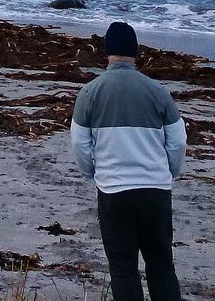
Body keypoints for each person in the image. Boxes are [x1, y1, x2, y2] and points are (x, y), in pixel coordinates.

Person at [70, 21, 187, 301]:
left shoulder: (89, 93)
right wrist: (168, 171)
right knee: (161, 263)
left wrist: (93, 173)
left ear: (106, 50)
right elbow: (179, 140)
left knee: (123, 268)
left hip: (114, 191)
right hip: (155, 191)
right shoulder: (157, 91)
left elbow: (79, 143)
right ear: (135, 51)